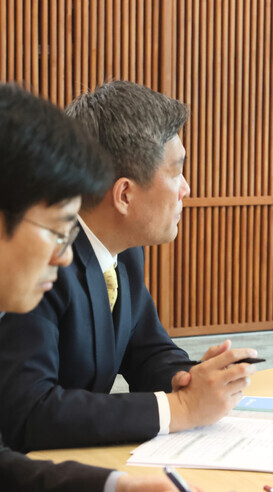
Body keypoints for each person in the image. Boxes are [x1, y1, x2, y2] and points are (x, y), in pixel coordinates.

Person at [0, 81, 257, 452]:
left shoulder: (125, 252)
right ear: (124, 194)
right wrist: (179, 409)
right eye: (176, 173)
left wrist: (194, 378)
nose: (186, 189)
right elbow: (29, 412)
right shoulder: (37, 265)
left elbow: (147, 352)